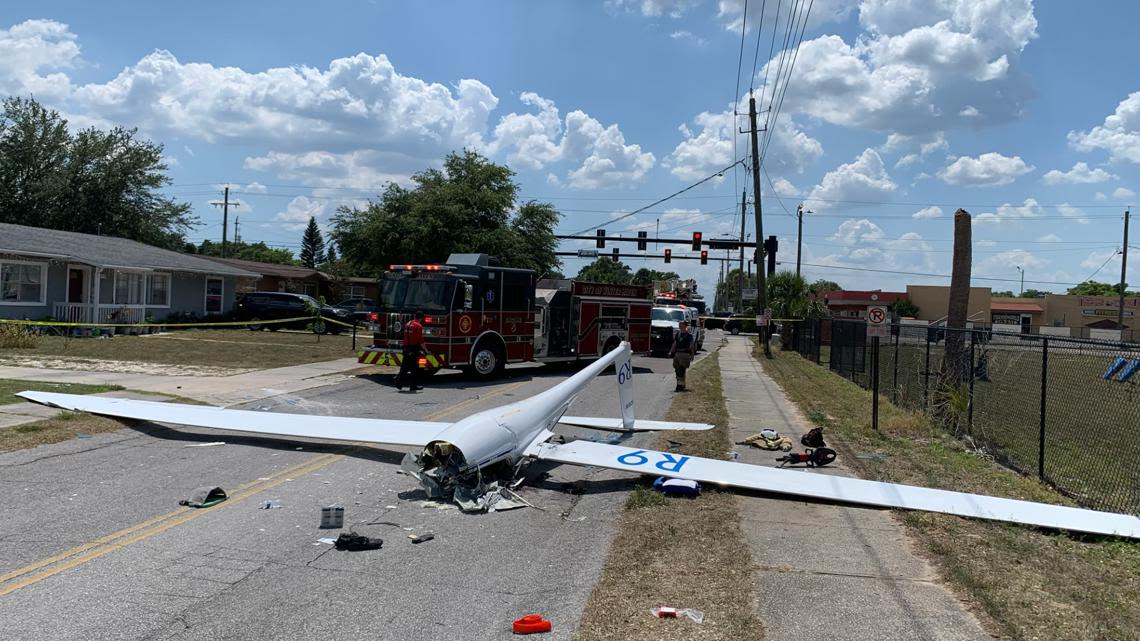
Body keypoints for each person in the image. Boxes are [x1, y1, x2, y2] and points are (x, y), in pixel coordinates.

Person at [395, 311, 426, 391]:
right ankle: (413, 386)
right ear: (421, 318)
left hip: (406, 348)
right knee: (414, 368)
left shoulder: (408, 324)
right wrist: (425, 350)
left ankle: (399, 381)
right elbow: (420, 340)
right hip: (414, 348)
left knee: (404, 367)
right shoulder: (418, 326)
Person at [669, 320, 697, 392]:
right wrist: (671, 351)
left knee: (681, 370)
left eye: (681, 324)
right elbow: (675, 344)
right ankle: (681, 385)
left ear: (685, 326)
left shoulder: (689, 336)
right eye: (679, 324)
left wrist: (692, 354)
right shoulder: (678, 334)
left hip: (685, 354)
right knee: (677, 370)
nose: (679, 326)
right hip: (677, 354)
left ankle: (679, 386)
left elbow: (691, 346)